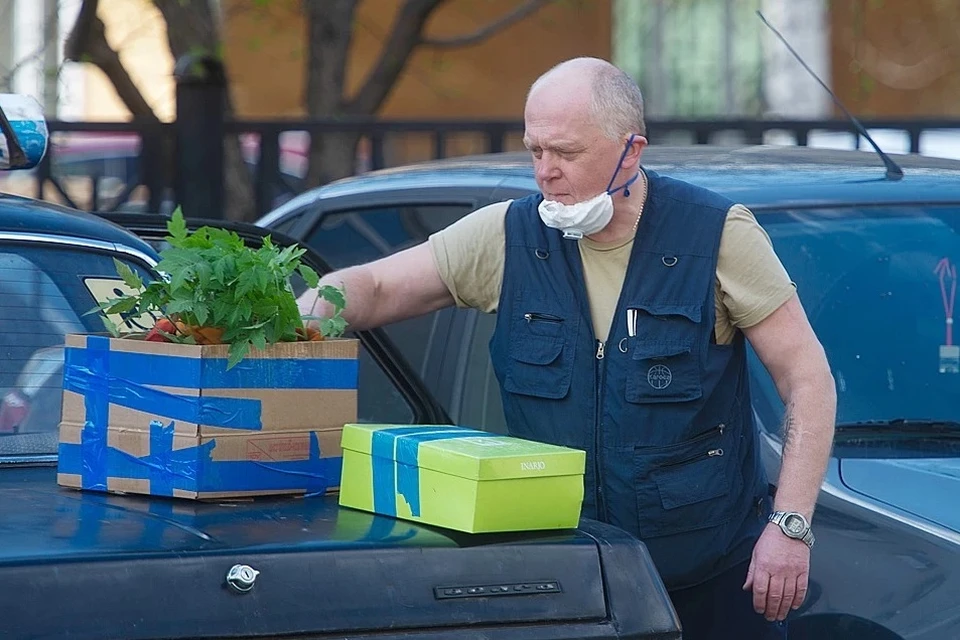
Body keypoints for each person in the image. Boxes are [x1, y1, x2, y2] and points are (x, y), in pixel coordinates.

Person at [300, 57, 837, 639]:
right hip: (560, 585)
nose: (545, 173)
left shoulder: (716, 233)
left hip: (704, 579)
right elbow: (375, 288)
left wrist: (790, 526)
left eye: (566, 153)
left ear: (631, 151)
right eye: (535, 151)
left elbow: (808, 379)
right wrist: (282, 314)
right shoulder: (509, 235)